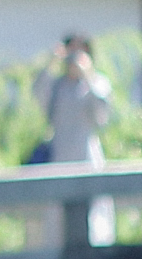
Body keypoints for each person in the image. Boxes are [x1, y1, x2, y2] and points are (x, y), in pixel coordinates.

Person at [35, 34, 114, 168]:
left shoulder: (97, 82)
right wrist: (52, 61)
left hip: (87, 159)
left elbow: (102, 116)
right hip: (60, 158)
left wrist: (87, 74)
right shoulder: (57, 85)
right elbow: (39, 90)